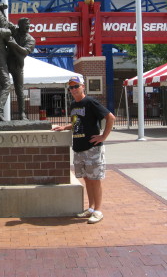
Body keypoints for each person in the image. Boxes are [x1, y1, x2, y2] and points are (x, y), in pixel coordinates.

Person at [52, 75, 115, 224]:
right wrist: (65, 127)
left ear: (82, 87)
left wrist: (103, 137)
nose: (73, 89)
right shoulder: (74, 104)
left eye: (76, 86)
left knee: (95, 179)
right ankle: (91, 208)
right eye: (71, 87)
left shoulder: (90, 102)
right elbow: (76, 122)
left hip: (92, 148)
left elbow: (110, 117)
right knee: (87, 179)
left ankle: (98, 210)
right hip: (79, 147)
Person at [7, 17, 35, 120]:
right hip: (5, 61)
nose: (28, 26)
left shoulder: (30, 39)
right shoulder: (14, 30)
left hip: (18, 64)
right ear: (20, 25)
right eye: (25, 24)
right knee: (0, 84)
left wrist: (14, 44)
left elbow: (24, 52)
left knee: (19, 90)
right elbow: (5, 22)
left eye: (28, 24)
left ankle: (22, 113)